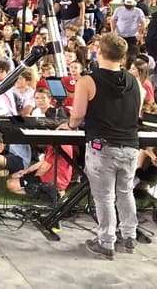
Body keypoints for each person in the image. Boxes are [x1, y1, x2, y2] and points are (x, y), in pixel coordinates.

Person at [58, 33, 143, 260]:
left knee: (104, 196)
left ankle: (106, 242)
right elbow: (136, 112)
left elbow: (77, 116)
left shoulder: (88, 81)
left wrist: (69, 125)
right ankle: (130, 235)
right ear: (122, 56)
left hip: (102, 146)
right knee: (125, 191)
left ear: (99, 52)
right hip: (130, 145)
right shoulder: (134, 81)